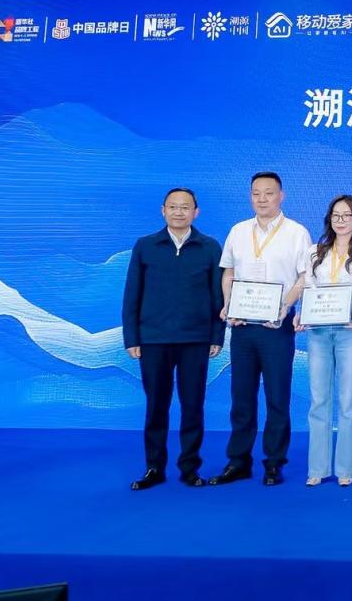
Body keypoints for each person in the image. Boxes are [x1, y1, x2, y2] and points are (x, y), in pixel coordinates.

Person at [209, 172, 311, 487]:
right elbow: (228, 272)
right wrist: (229, 305)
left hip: (276, 327)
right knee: (241, 397)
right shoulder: (238, 231)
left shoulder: (296, 233)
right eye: (256, 193)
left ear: (281, 195)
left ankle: (274, 463)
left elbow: (304, 277)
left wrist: (285, 307)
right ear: (250, 196)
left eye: (269, 193)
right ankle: (238, 461)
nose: (262, 199)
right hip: (242, 328)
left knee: (277, 397)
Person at [121, 187, 224, 490]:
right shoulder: (145, 246)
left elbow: (218, 296)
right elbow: (132, 294)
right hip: (153, 339)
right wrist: (132, 337)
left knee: (193, 406)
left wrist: (217, 335)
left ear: (196, 212)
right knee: (156, 405)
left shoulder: (209, 247)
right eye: (173, 207)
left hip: (196, 340)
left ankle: (190, 468)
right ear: (163, 210)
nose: (179, 212)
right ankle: (154, 468)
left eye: (185, 207)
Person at [297, 195, 352, 487]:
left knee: (348, 400)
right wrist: (301, 314)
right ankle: (317, 468)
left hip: (350, 329)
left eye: (347, 215)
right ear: (329, 219)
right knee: (318, 399)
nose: (341, 220)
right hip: (318, 331)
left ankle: (345, 467)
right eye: (336, 215)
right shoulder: (314, 253)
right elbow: (309, 288)